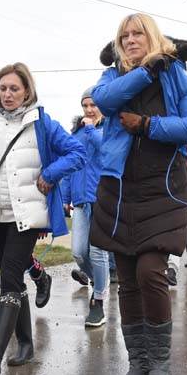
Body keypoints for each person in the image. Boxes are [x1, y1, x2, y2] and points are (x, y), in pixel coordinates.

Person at [89, 13, 187, 375]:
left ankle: (159, 363)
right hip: (120, 188)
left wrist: (146, 126)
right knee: (126, 278)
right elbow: (104, 101)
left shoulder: (175, 75)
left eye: (138, 33)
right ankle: (137, 362)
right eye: (124, 35)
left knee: (150, 273)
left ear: (153, 36)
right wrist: (143, 72)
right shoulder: (114, 77)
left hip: (164, 188)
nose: (130, 40)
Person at [0, 63, 85, 375]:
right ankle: (27, 345)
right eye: (2, 88)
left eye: (14, 88)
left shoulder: (42, 122)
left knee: (8, 277)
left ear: (27, 91)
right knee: (14, 279)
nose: (7, 94)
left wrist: (50, 175)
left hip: (27, 215)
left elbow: (77, 152)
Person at [59, 89, 109, 327]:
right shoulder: (77, 134)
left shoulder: (106, 129)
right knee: (79, 252)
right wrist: (65, 196)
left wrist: (90, 128)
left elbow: (106, 152)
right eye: (85, 106)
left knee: (98, 252)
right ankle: (98, 282)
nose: (89, 110)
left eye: (93, 105)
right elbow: (71, 165)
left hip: (102, 199)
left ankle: (98, 301)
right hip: (80, 200)